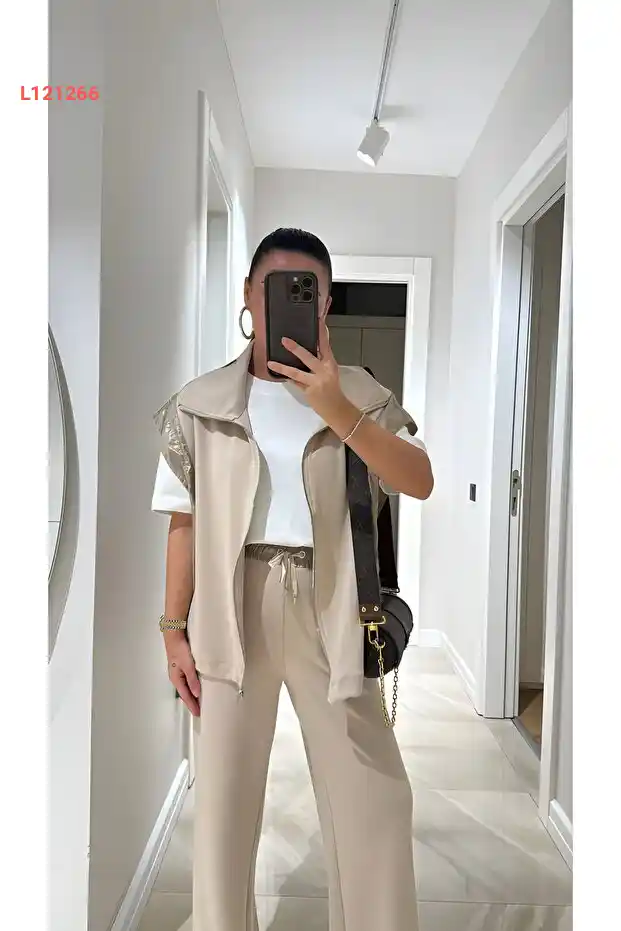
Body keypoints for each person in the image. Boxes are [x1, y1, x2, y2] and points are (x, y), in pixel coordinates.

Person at [151, 228, 433, 931]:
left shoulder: (360, 393)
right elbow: (183, 520)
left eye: (306, 289)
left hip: (331, 604)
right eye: (273, 286)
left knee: (375, 799)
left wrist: (338, 408)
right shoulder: (200, 402)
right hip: (231, 605)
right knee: (223, 807)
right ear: (249, 296)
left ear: (325, 303)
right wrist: (173, 628)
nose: (287, 300)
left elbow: (418, 480)